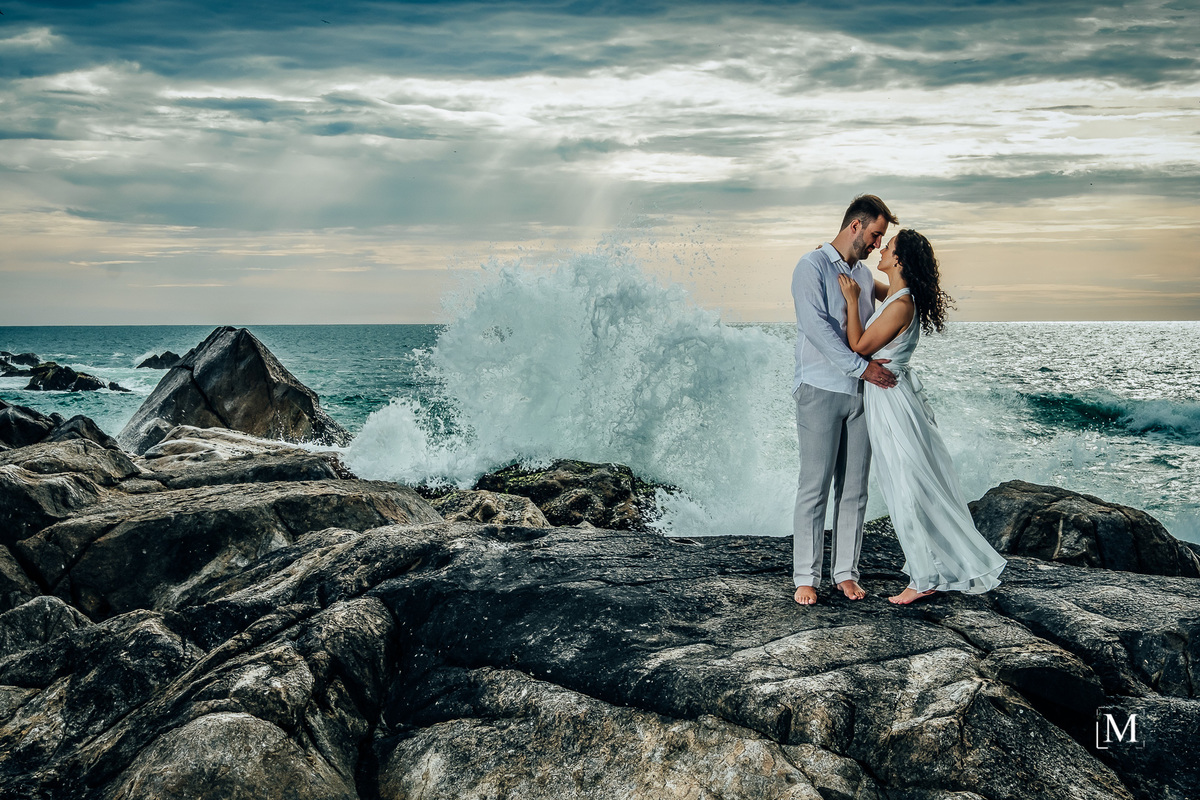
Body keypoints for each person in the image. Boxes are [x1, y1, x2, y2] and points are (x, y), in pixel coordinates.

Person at [837, 229, 1006, 604]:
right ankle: (926, 569)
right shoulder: (897, 296)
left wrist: (850, 300)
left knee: (906, 484)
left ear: (899, 260)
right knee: (904, 482)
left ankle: (924, 577)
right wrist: (850, 271)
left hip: (892, 402)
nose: (880, 249)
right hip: (891, 398)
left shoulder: (900, 304)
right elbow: (875, 287)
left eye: (888, 246)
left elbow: (858, 346)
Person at [791, 195, 898, 606]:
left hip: (862, 394)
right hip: (820, 389)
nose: (876, 245)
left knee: (854, 489)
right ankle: (806, 576)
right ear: (855, 225)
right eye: (875, 235)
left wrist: (919, 280)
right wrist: (861, 368)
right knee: (814, 486)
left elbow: (898, 298)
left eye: (881, 239)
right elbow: (815, 327)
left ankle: (846, 573)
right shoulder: (811, 266)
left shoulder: (866, 277)